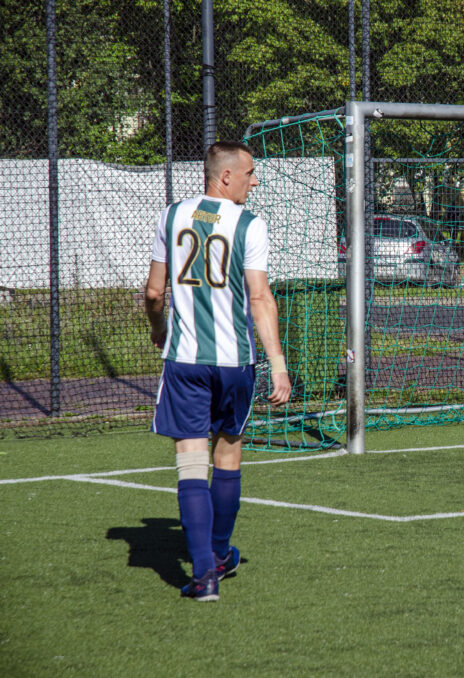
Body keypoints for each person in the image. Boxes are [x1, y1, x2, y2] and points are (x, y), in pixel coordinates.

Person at [144, 140, 291, 601]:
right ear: (225, 176)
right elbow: (261, 297)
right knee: (227, 456)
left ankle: (205, 573)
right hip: (234, 363)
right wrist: (279, 365)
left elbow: (153, 293)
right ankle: (220, 552)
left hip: (185, 361)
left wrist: (159, 330)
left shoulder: (171, 216)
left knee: (191, 462)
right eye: (249, 172)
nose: (255, 181)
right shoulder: (249, 225)